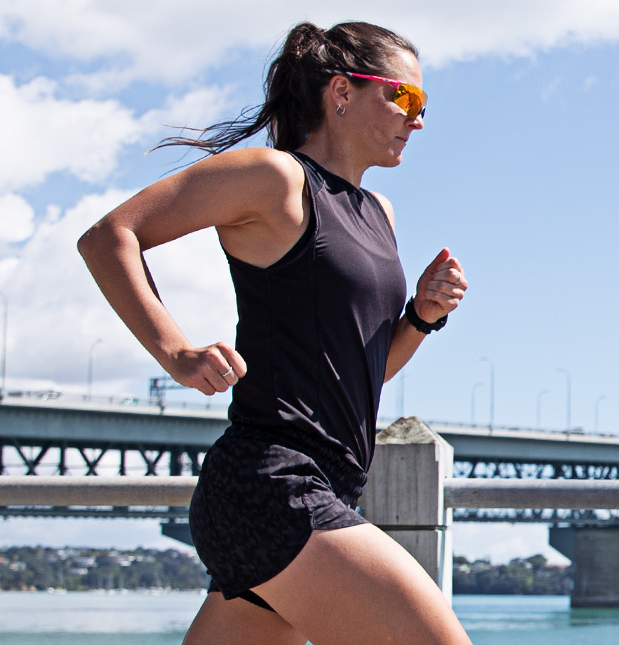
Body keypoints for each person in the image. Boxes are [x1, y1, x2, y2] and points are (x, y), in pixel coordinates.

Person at [77, 19, 471, 645]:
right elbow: (110, 236)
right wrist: (175, 351)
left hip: (322, 486)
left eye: (423, 104)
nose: (417, 119)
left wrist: (421, 317)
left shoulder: (379, 213)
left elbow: (361, 368)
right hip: (274, 486)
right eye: (405, 97)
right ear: (341, 92)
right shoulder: (275, 179)